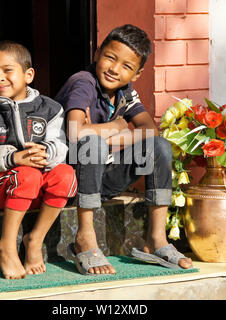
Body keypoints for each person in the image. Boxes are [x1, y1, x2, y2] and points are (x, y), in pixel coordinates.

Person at [55, 24, 192, 275]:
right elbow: (75, 133)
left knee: (158, 147)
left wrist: (115, 132)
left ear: (137, 74)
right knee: (91, 144)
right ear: (97, 53)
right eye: (110, 57)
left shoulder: (125, 92)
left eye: (126, 66)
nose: (114, 69)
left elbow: (151, 131)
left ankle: (156, 239)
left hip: (102, 177)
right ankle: (85, 237)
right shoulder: (83, 83)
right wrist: (115, 126)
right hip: (70, 180)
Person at [0, 41, 77, 279]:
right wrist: (13, 158)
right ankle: (7, 248)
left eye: (7, 70)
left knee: (65, 174)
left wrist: (46, 153)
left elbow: (60, 144)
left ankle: (34, 240)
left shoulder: (50, 109)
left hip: (30, 188)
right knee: (27, 174)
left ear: (28, 74)